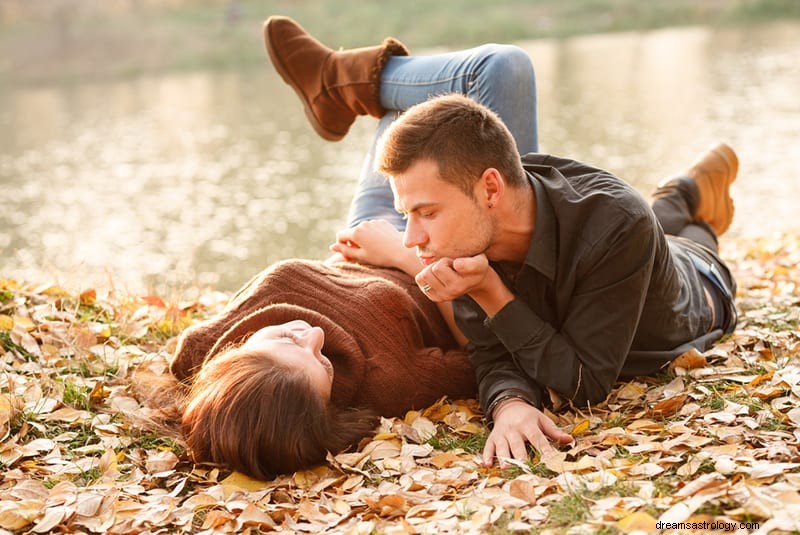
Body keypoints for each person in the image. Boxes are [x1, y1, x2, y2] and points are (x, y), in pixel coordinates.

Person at [265, 16, 739, 467]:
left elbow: (585, 382)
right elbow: (492, 351)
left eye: (426, 212)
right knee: (655, 222)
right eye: (407, 214)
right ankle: (680, 193)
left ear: (491, 188)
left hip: (698, 288)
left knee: (690, 238)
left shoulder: (614, 223)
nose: (411, 238)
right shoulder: (472, 235)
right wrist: (510, 402)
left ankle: (687, 196)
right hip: (633, 253)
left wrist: (491, 292)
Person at [159, 29, 549, 480]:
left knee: (410, 109)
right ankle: (336, 81)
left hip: (371, 224)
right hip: (443, 250)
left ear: (235, 357)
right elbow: (489, 349)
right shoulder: (387, 381)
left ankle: (339, 83)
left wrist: (377, 241)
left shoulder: (203, 348)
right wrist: (410, 262)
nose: (314, 337)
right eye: (322, 365)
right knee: (503, 68)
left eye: (287, 340)